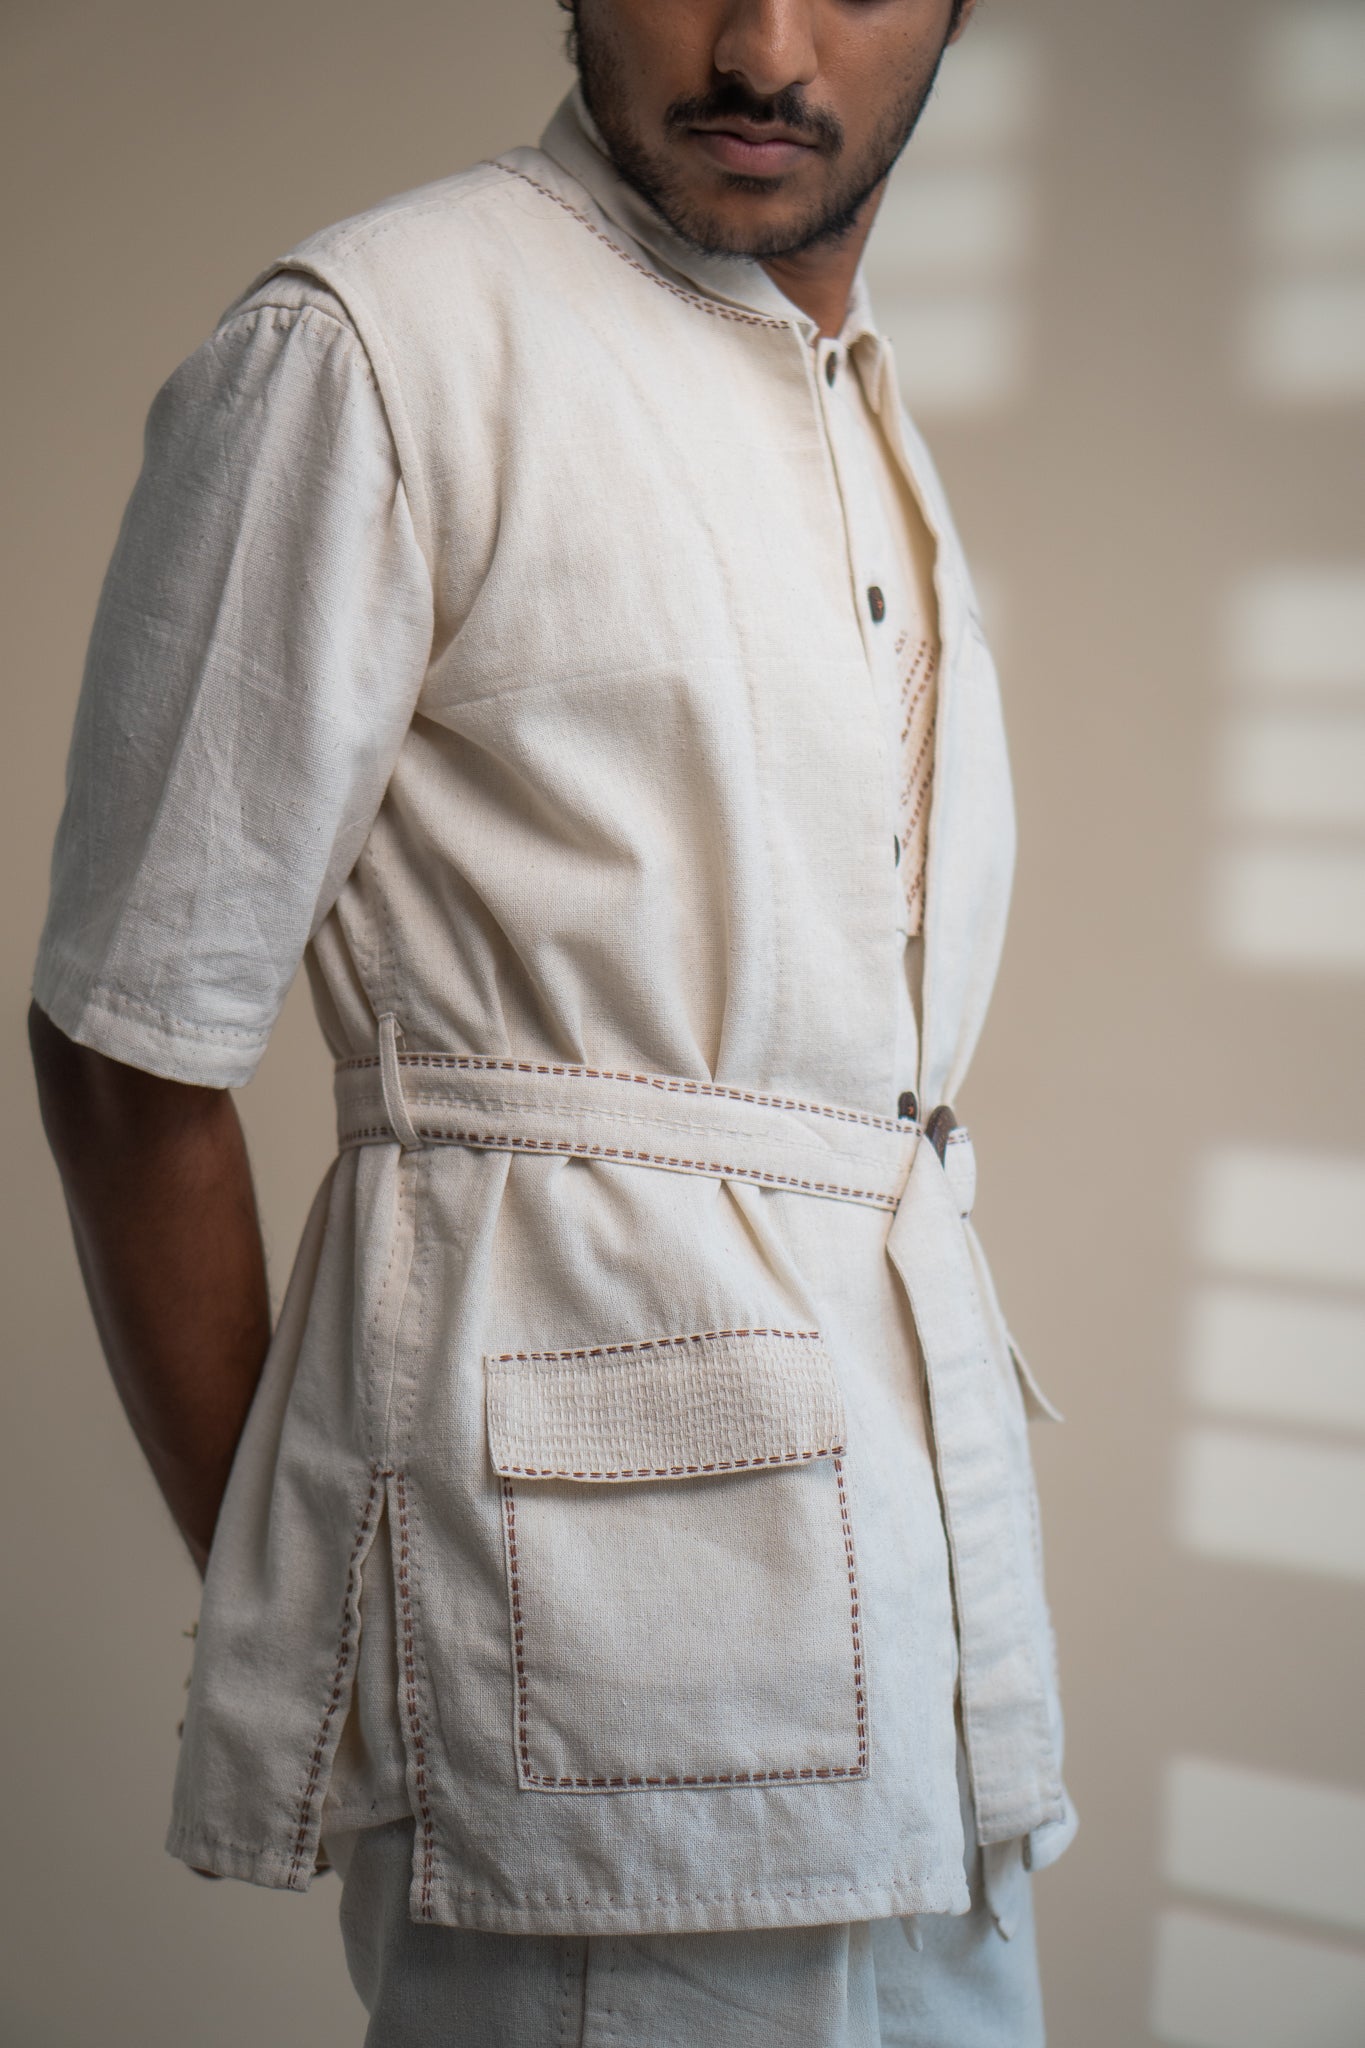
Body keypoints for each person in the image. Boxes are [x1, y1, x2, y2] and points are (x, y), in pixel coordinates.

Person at [30, 1, 1076, 2040]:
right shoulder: (381, 346)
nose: (761, 46)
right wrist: (342, 1578)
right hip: (581, 1663)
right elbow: (127, 1043)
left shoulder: (849, 398)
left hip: (925, 1636)